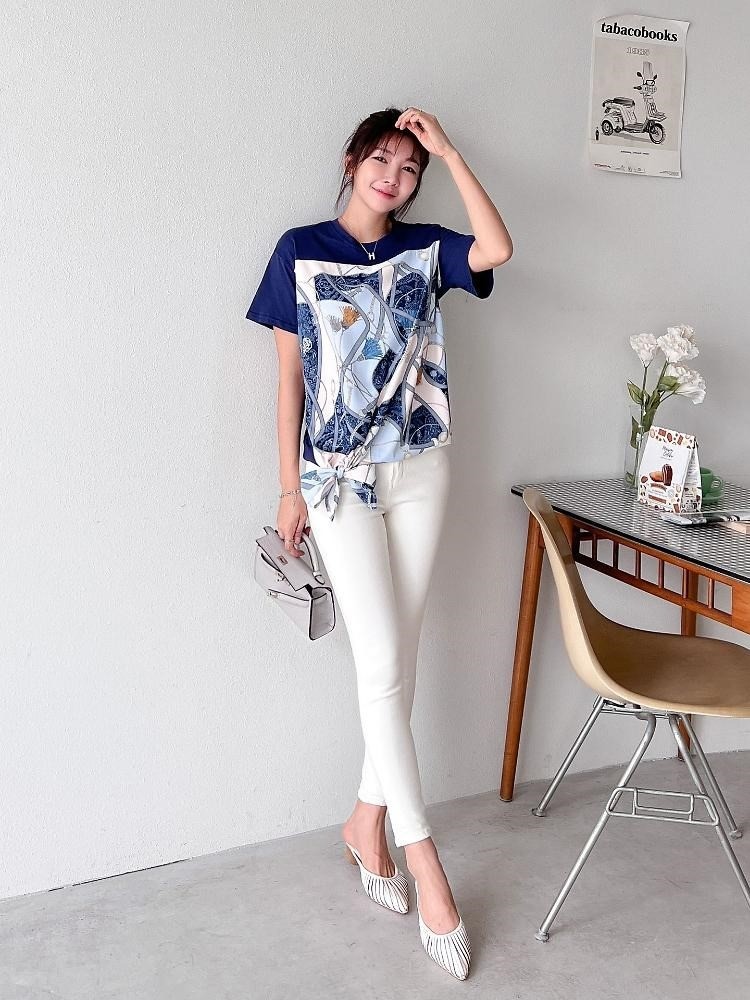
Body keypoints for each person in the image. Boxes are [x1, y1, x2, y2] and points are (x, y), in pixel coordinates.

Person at [246, 106, 512, 980]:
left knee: (401, 653)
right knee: (382, 664)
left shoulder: (425, 249)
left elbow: (497, 249)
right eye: (382, 160)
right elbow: (288, 377)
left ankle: (366, 822)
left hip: (422, 468)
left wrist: (452, 151)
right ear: (352, 160)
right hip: (336, 483)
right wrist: (288, 487)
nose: (393, 177)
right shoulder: (299, 250)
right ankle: (424, 860)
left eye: (409, 167)